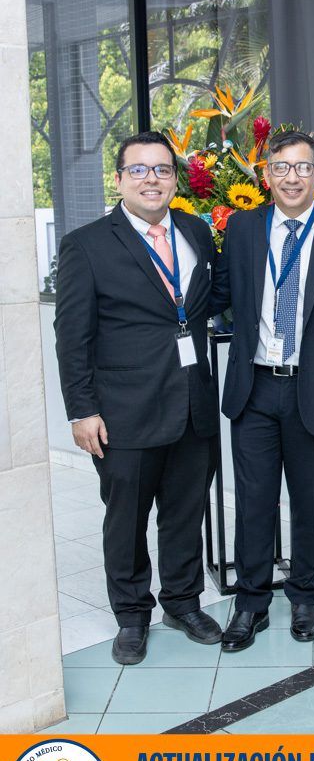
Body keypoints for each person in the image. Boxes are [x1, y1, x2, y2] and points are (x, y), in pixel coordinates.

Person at [54, 131, 223, 665]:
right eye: (139, 169)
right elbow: (72, 337)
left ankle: (183, 603)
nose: (152, 179)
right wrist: (82, 410)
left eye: (162, 169)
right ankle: (132, 616)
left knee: (185, 513)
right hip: (123, 412)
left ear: (175, 179)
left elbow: (207, 302)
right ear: (119, 179)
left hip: (193, 404)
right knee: (126, 519)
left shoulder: (196, 231)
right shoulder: (86, 245)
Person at [211, 129, 314, 651]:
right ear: (266, 175)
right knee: (254, 502)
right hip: (254, 389)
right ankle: (251, 603)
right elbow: (218, 292)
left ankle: (304, 595)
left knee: (308, 502)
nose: (292, 177)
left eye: (303, 167)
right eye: (282, 167)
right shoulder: (242, 229)